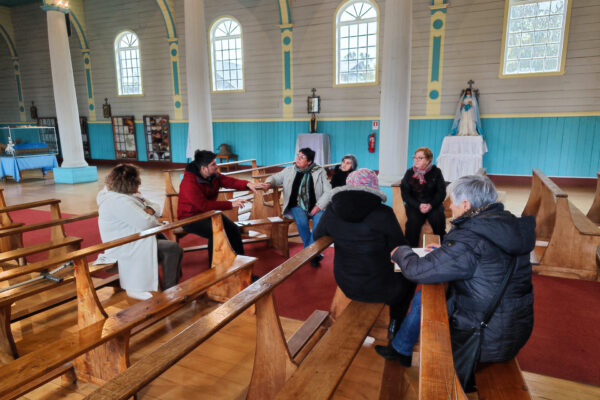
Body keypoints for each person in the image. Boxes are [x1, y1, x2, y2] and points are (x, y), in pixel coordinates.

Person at [376, 175, 534, 392]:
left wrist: (401, 251)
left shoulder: (473, 238)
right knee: (426, 296)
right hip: (511, 325)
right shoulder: (503, 224)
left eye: (453, 201)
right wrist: (444, 253)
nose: (449, 205)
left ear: (467, 205)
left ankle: (445, 385)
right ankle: (401, 348)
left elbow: (417, 271)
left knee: (429, 299)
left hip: (485, 337)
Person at [313, 169, 416, 339]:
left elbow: (318, 236)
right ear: (373, 188)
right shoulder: (383, 213)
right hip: (380, 286)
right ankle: (395, 325)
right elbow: (399, 246)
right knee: (408, 279)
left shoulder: (332, 211)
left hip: (346, 281)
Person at [97, 164, 184, 300]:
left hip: (135, 239)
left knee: (173, 248)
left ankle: (171, 285)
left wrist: (148, 211)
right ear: (130, 183)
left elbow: (155, 206)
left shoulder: (126, 195)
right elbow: (147, 223)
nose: (140, 183)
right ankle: (169, 291)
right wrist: (149, 214)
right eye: (137, 180)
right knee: (172, 248)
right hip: (124, 245)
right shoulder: (117, 201)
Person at [178, 150, 264, 265]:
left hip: (207, 214)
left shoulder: (213, 175)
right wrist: (231, 204)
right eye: (213, 164)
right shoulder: (188, 182)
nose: (216, 166)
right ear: (204, 168)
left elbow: (229, 181)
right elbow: (203, 205)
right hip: (189, 218)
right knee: (216, 232)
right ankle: (214, 269)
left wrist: (247, 184)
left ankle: (241, 265)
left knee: (233, 229)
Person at [264, 147, 332, 266]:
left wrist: (318, 206)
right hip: (297, 205)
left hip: (317, 205)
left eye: (302, 157)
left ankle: (309, 253)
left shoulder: (319, 171)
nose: (298, 159)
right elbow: (275, 178)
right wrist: (268, 183)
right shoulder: (289, 170)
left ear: (309, 161)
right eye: (298, 156)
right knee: (301, 223)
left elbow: (328, 192)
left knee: (319, 225)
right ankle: (313, 254)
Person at [401, 147, 447, 247]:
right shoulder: (409, 173)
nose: (416, 160)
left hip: (433, 204)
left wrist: (431, 205)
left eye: (420, 158)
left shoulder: (436, 172)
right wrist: (418, 205)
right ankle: (410, 252)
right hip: (415, 205)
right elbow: (405, 194)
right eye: (415, 158)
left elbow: (441, 192)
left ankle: (443, 249)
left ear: (428, 160)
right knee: (413, 223)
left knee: (438, 219)